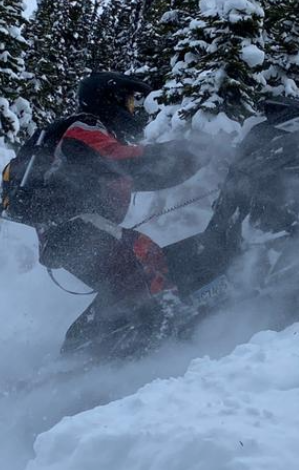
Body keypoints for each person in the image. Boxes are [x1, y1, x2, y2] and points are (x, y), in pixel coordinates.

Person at [35, 73, 206, 306]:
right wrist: (188, 149)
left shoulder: (98, 147)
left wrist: (203, 157)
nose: (132, 109)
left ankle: (108, 334)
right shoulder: (85, 126)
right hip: (77, 228)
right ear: (109, 99)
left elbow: (151, 174)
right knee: (146, 255)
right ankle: (173, 311)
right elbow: (123, 160)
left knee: (126, 293)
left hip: (66, 238)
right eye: (128, 101)